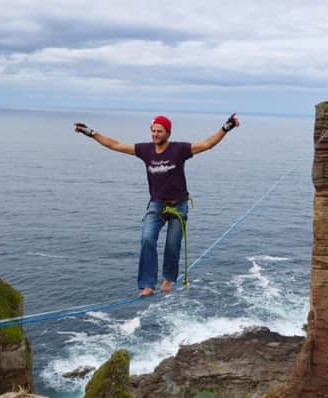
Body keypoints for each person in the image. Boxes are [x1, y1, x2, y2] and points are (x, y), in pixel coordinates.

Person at [74, 113, 240, 297]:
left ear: (168, 132)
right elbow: (116, 145)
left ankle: (168, 279)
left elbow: (207, 144)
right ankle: (147, 285)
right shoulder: (146, 150)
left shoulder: (179, 149)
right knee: (147, 239)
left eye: (159, 131)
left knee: (172, 245)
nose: (155, 134)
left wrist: (226, 127)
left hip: (179, 205)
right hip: (157, 205)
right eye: (153, 131)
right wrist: (91, 133)